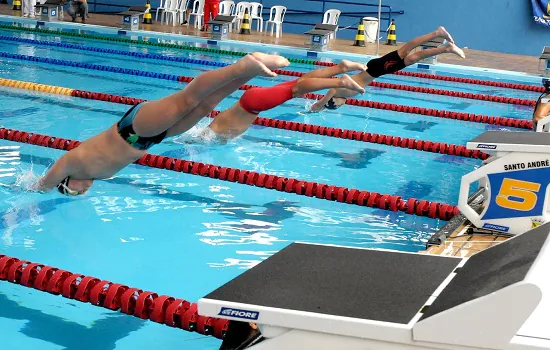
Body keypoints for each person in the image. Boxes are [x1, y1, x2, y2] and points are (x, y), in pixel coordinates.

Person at [34, 53, 290, 195]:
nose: (82, 192)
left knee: (186, 100)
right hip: (153, 137)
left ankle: (240, 66)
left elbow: (43, 183)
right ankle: (251, 71)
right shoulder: (98, 174)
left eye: (74, 192)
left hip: (133, 129)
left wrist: (36, 189)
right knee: (203, 107)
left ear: (66, 182)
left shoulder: (72, 163)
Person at [197, 59, 366, 142]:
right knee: (299, 82)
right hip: (251, 100)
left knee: (296, 90)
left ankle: (340, 81)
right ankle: (340, 68)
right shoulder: (215, 128)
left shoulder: (211, 136)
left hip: (252, 105)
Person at [309, 26, 466, 112]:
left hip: (377, 68)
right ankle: (446, 48)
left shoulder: (339, 91)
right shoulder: (348, 96)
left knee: (406, 50)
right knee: (412, 58)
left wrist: (319, 105)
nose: (340, 105)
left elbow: (330, 92)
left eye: (336, 105)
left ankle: (437, 33)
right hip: (380, 71)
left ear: (333, 101)